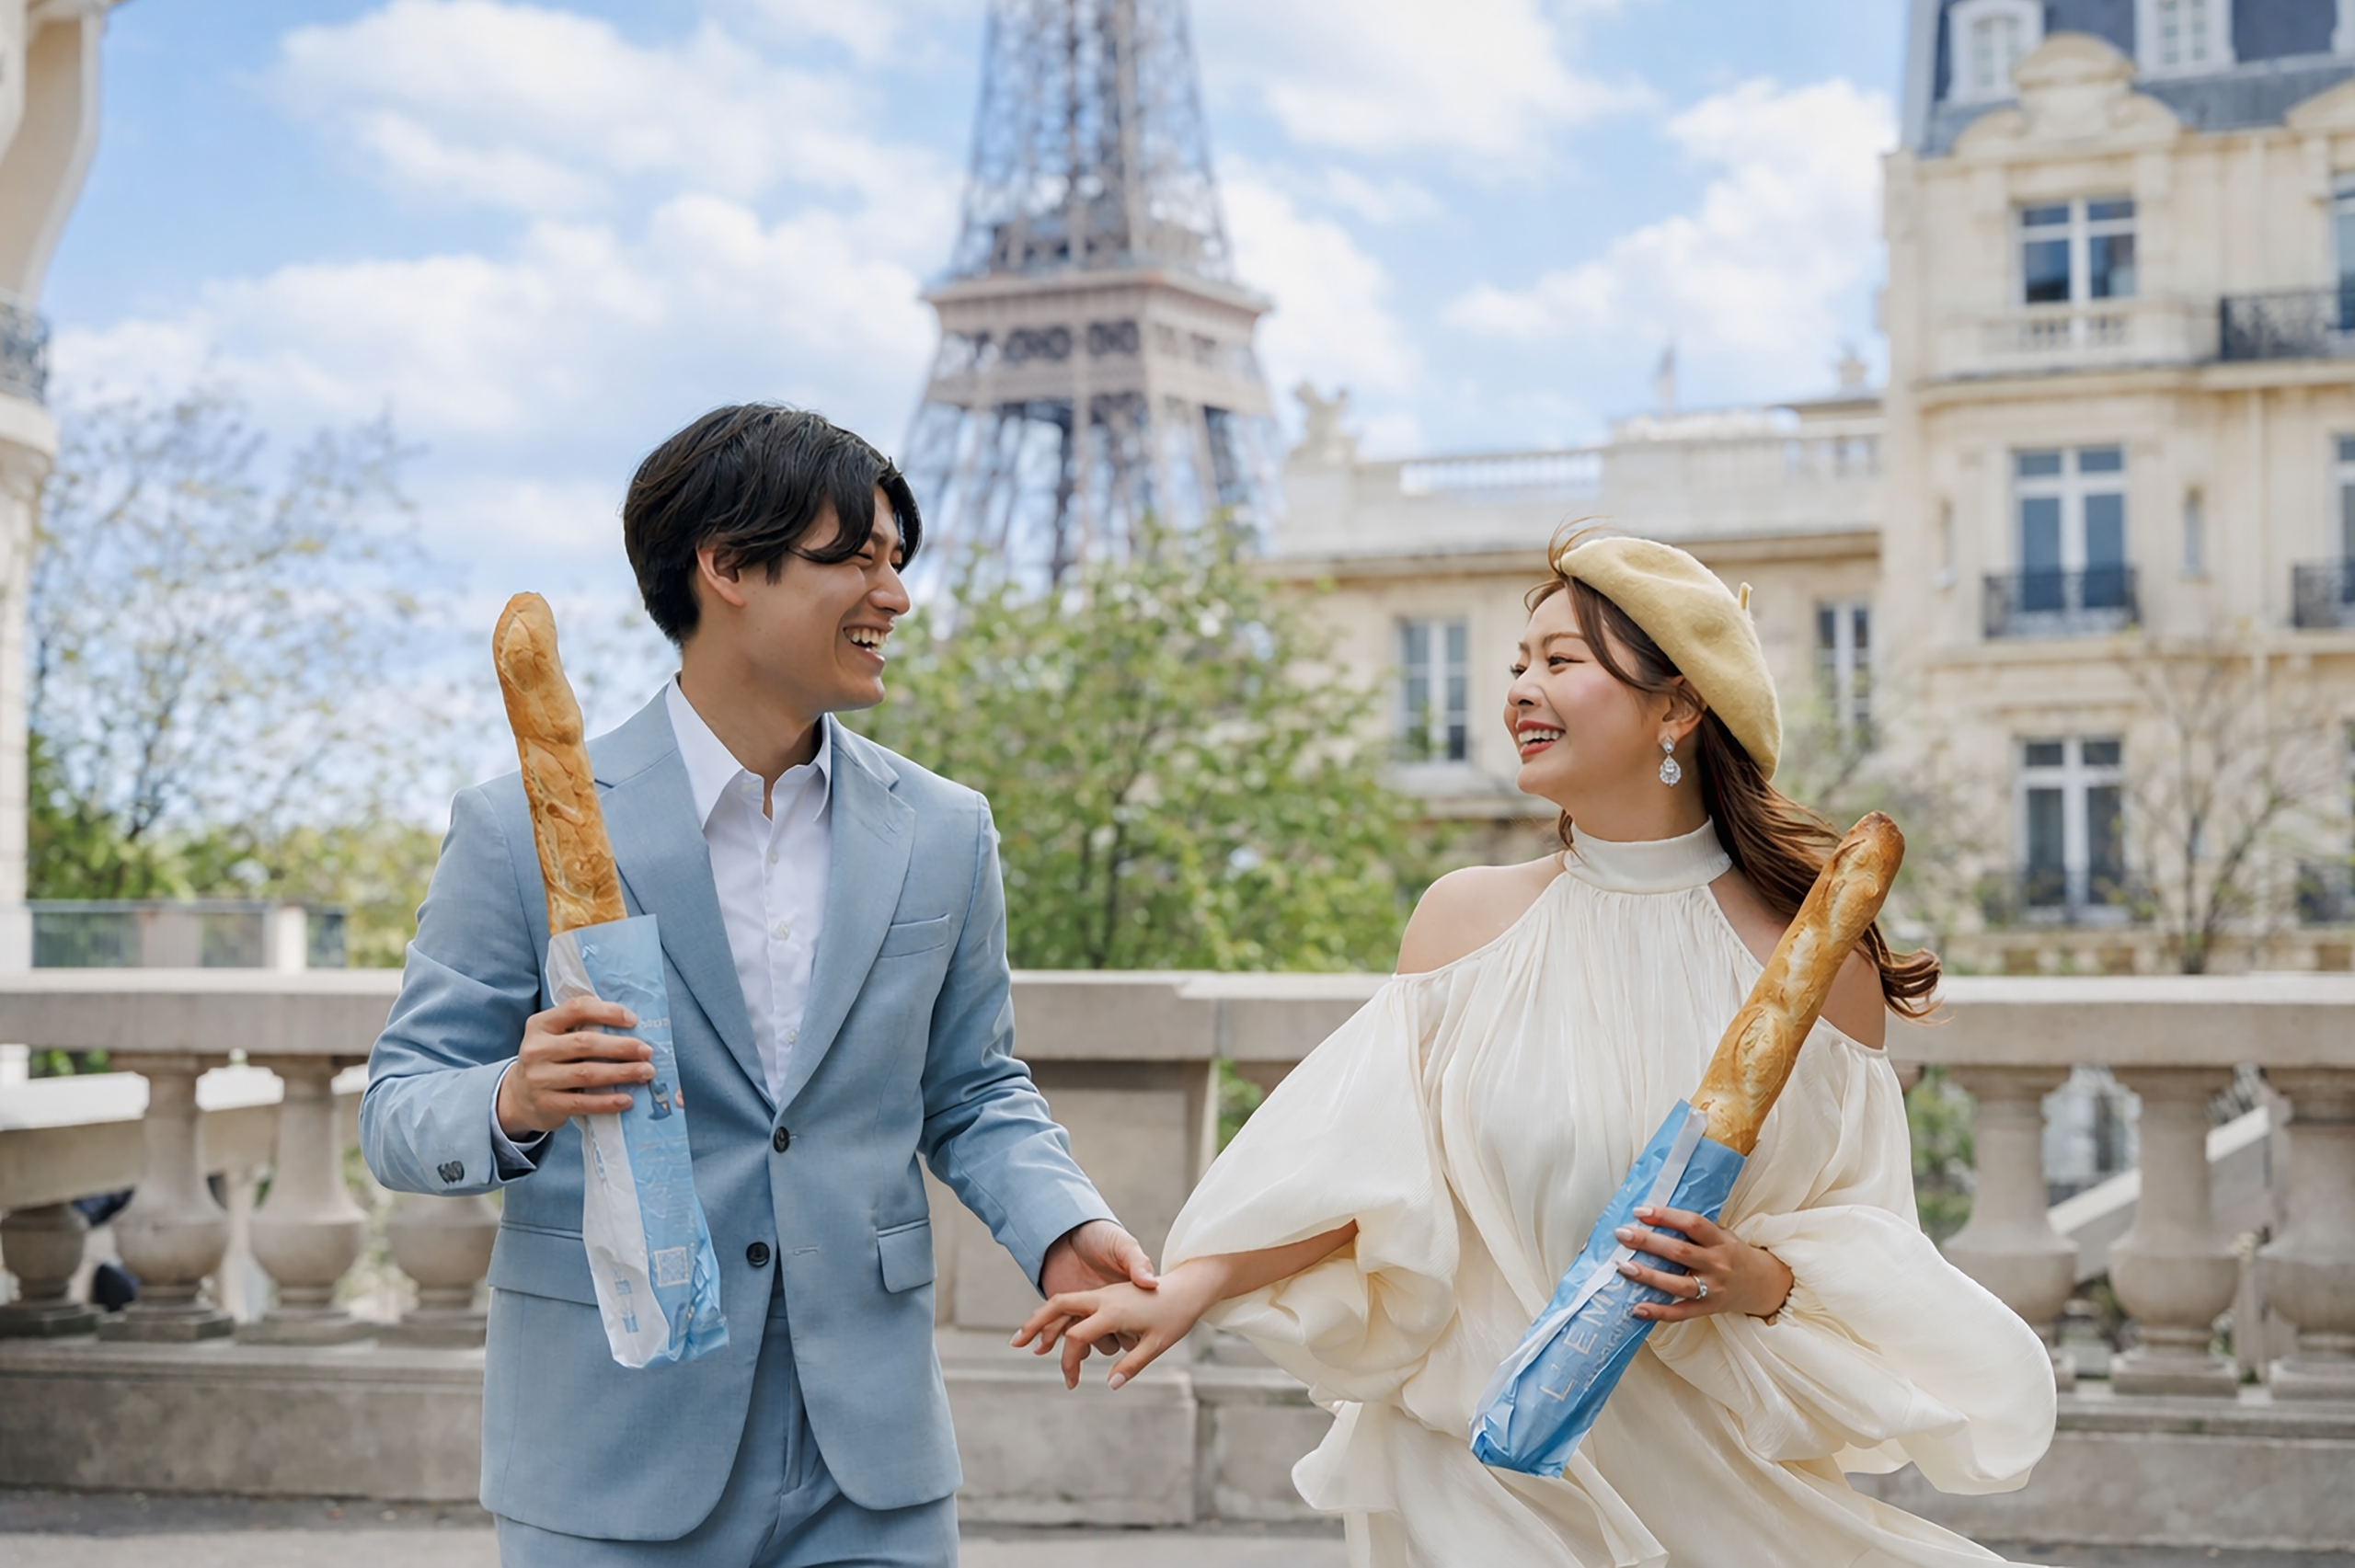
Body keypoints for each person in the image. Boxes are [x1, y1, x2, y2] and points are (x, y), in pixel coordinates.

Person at [1015, 532, 2059, 1566]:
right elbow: (1361, 1173)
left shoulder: (1819, 965)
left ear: (1679, 705)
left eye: (1560, 661)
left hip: (1715, 1483)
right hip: (1482, 1476)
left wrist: (1753, 1279)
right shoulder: (1463, 924)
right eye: (1518, 661)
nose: (1519, 687)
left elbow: (1868, 1243)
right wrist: (1184, 1288)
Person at [362, 405, 1155, 1567]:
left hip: (871, 1461)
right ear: (726, 565)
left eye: (898, 561)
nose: (893, 596)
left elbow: (974, 1087)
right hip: (610, 1449)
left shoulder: (944, 831)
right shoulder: (517, 827)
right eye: (855, 559)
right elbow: (395, 1111)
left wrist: (1063, 1228)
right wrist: (513, 1098)